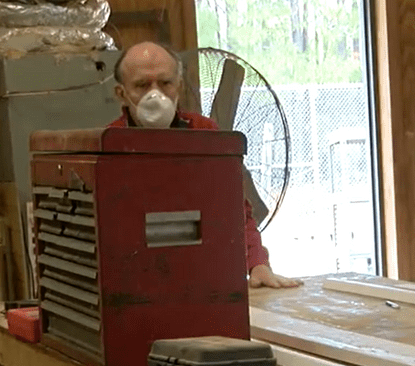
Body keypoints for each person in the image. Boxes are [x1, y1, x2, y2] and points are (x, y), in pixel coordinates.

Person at [109, 41, 301, 289]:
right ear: (121, 94)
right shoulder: (104, 146)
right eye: (142, 85)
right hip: (132, 282)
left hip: (202, 279)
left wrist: (257, 263)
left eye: (165, 83)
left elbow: (235, 209)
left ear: (179, 84)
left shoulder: (206, 134)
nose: (155, 94)